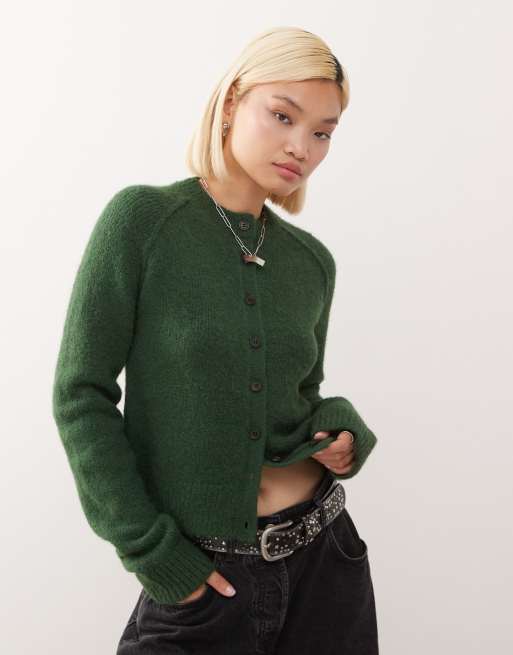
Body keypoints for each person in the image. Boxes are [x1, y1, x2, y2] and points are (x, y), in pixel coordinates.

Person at [52, 25, 379, 654]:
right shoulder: (143, 222)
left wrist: (341, 428)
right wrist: (153, 553)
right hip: (205, 575)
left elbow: (302, 396)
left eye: (322, 132)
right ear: (231, 101)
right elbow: (80, 395)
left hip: (326, 557)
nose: (301, 146)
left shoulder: (312, 262)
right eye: (282, 115)